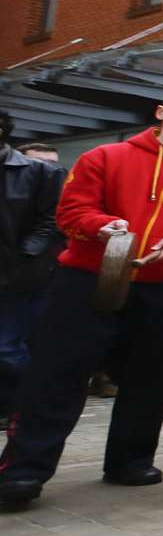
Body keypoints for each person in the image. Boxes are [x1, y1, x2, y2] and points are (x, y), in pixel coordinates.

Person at [0, 90, 163, 506]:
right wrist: (103, 226)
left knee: (152, 377)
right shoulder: (106, 156)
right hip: (88, 276)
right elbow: (70, 212)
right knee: (57, 374)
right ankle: (24, 470)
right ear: (161, 112)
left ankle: (130, 461)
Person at [0, 113, 63, 424]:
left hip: (19, 275)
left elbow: (51, 221)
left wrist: (26, 254)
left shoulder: (40, 173)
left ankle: (24, 407)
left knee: (7, 349)